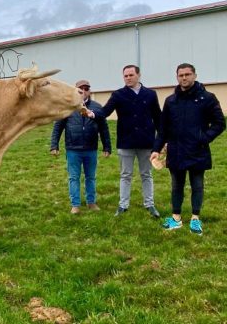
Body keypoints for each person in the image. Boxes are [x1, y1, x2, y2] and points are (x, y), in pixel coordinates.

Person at [151, 63, 225, 235]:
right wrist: (156, 148)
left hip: (197, 150)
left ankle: (195, 219)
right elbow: (163, 129)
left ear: (195, 75)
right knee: (177, 186)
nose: (184, 78)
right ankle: (176, 219)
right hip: (176, 151)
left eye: (187, 74)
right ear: (177, 77)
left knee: (197, 185)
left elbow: (220, 123)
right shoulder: (171, 101)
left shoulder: (207, 98)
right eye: (181, 75)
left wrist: (204, 138)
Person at [86, 65, 162, 218]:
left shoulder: (150, 94)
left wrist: (161, 140)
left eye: (131, 75)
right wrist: (92, 113)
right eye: (125, 75)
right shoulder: (118, 95)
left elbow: (158, 117)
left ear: (138, 75)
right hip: (126, 142)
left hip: (146, 142)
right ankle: (123, 205)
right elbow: (105, 111)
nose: (128, 78)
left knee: (146, 174)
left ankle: (150, 204)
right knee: (125, 175)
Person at [50, 80, 111, 214]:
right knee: (74, 177)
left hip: (91, 149)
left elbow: (104, 128)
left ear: (90, 91)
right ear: (76, 90)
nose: (84, 91)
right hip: (73, 149)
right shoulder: (68, 106)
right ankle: (75, 205)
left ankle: (91, 202)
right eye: (80, 88)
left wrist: (107, 147)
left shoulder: (97, 107)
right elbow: (58, 127)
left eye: (86, 88)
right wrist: (54, 145)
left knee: (91, 177)